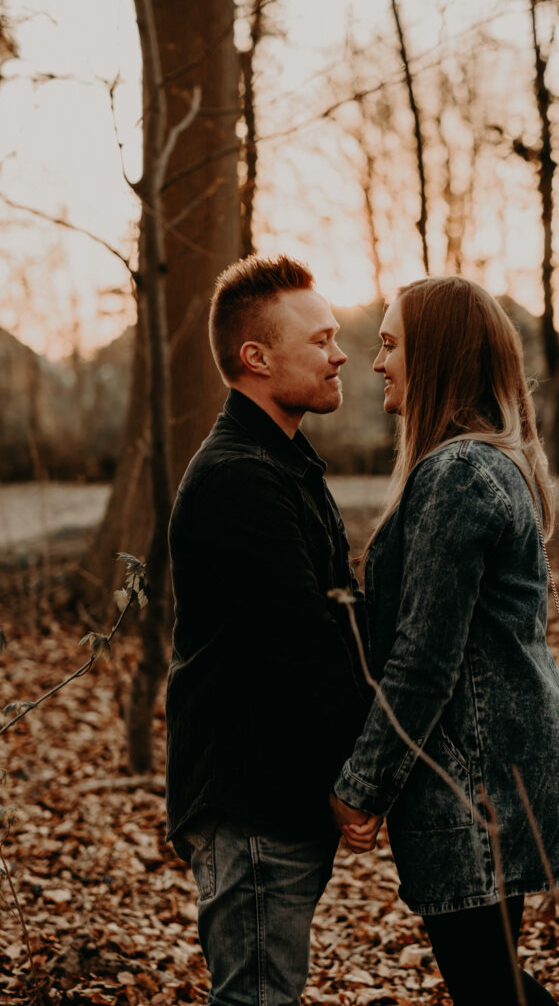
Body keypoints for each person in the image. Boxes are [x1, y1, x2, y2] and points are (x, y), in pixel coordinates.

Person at [330, 276, 559, 1005]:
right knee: (490, 979)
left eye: (390, 345)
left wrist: (362, 788)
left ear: (436, 354)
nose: (377, 362)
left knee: (486, 987)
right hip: (501, 762)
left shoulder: (459, 473)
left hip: (477, 778)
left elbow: (424, 658)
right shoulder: (486, 461)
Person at [166, 254, 370, 1006]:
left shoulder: (282, 463)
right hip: (250, 800)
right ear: (256, 357)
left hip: (278, 792)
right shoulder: (240, 477)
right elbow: (304, 647)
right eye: (320, 340)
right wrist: (362, 779)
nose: (339, 354)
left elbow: (338, 620)